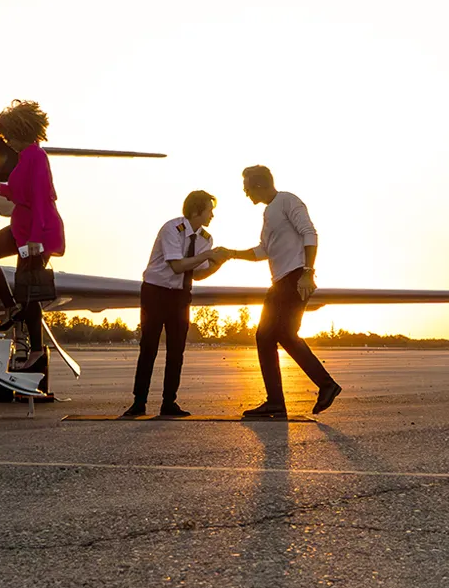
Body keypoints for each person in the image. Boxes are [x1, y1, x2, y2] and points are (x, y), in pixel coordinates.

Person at [121, 190, 237, 418]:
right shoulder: (172, 229)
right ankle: (139, 402)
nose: (212, 215)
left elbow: (197, 273)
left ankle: (169, 402)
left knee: (177, 350)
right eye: (209, 210)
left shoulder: (206, 239)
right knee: (149, 347)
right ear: (196, 211)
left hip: (181, 295)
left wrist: (217, 263)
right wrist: (208, 256)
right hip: (156, 292)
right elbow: (176, 266)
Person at [239, 165, 341, 418]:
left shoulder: (287, 200)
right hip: (280, 281)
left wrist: (308, 272)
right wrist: (231, 254)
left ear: (259, 185)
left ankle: (308, 391)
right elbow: (263, 251)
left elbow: (309, 233)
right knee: (275, 335)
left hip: (295, 277)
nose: (245, 192)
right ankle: (304, 392)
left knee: (274, 335)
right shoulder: (268, 212)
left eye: (247, 187)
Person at [0, 99, 62, 373]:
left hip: (36, 232)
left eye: (9, 135)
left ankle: (36, 351)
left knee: (30, 292)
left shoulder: (36, 156)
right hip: (22, 229)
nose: (7, 141)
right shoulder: (25, 158)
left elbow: (41, 199)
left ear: (21, 131)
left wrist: (35, 239)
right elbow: (17, 193)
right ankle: (11, 309)